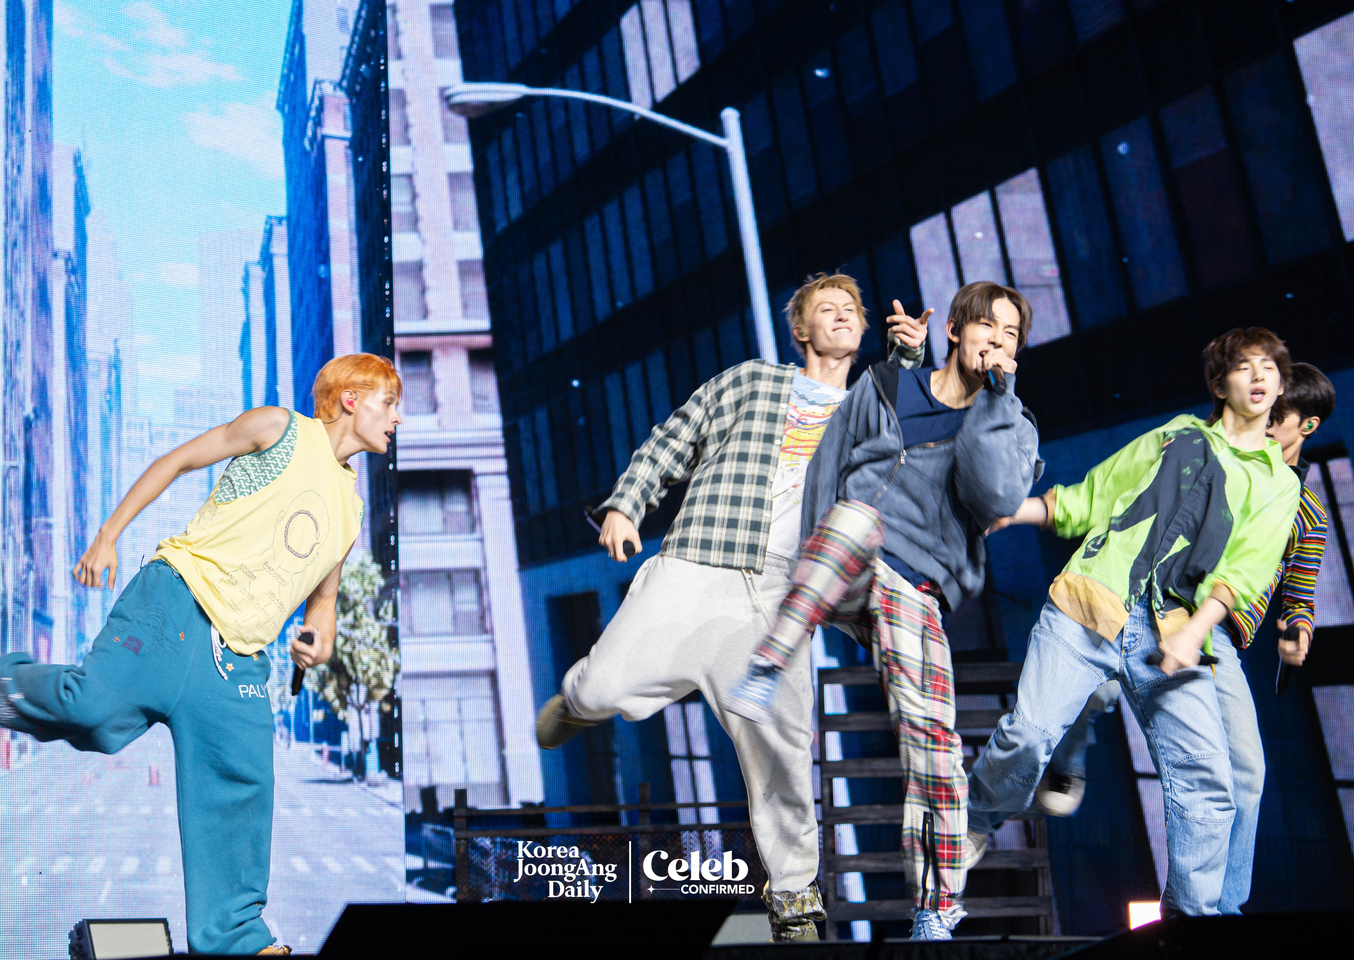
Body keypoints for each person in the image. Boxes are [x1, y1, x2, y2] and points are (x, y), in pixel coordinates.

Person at [0, 354, 402, 955]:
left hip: (241, 659)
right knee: (90, 713)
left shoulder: (351, 509)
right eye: (389, 403)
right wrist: (109, 534)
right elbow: (177, 461)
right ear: (352, 399)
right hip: (176, 601)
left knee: (242, 788)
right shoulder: (278, 429)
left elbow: (323, 599)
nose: (396, 419)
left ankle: (237, 938)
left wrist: (319, 636)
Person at [534, 273, 929, 942]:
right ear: (800, 331)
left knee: (781, 743)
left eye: (849, 311)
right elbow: (672, 439)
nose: (840, 316)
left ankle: (795, 896)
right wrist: (627, 504)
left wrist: (910, 358)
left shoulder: (870, 409)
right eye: (824, 309)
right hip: (701, 559)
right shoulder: (750, 382)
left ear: (861, 331)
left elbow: (907, 424)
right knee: (606, 684)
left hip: (784, 590)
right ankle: (576, 701)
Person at [724, 280, 1043, 940]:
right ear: (955, 330)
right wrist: (808, 563)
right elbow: (831, 465)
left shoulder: (1013, 423)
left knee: (933, 742)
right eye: (988, 326)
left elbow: (993, 496)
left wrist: (995, 400)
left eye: (1012, 335)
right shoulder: (889, 383)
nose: (998, 341)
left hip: (915, 587)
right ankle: (768, 662)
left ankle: (933, 908)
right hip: (842, 560)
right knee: (855, 517)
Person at [967, 328, 1303, 919]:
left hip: (1173, 629)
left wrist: (1193, 635)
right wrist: (1018, 512)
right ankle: (974, 816)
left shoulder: (1279, 483)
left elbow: (1244, 570)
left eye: (1269, 367)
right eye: (1244, 366)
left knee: (1209, 783)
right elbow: (1101, 492)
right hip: (1089, 605)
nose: (1258, 376)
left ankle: (1193, 923)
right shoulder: (1178, 433)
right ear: (1219, 382)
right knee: (1030, 736)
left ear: (1279, 383)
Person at [1032, 362, 1333, 915]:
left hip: (1212, 643)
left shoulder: (1303, 510)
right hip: (1144, 604)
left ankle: (1217, 907)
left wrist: (1298, 629)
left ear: (1305, 426)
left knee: (1247, 771)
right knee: (1093, 683)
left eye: (1279, 415)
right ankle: (1066, 754)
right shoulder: (1212, 453)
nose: (1264, 420)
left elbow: (1301, 589)